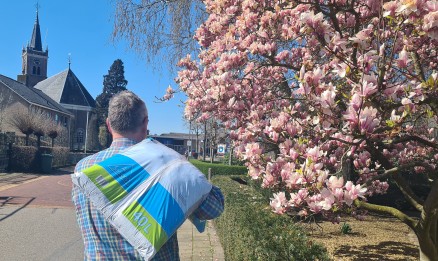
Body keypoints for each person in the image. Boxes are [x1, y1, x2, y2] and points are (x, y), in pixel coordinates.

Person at [72, 91, 224, 260]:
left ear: (108, 125)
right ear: (145, 124)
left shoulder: (84, 169)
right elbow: (214, 208)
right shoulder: (167, 164)